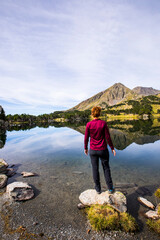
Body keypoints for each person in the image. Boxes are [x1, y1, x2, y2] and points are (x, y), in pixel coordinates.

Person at [84, 106, 116, 194]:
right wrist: (112, 148)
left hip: (93, 150)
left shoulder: (89, 124)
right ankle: (110, 188)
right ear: (99, 114)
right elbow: (108, 137)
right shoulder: (103, 123)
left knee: (95, 169)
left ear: (92, 114)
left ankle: (98, 189)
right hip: (103, 150)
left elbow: (86, 138)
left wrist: (85, 148)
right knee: (106, 168)